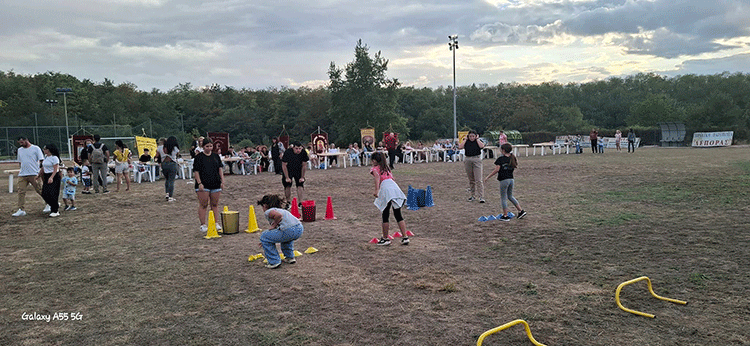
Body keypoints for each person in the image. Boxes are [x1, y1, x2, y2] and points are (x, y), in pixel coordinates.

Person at [370, 152, 410, 246]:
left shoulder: (375, 169)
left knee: (385, 214)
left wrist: (376, 191)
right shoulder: (387, 168)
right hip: (394, 188)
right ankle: (405, 237)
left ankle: (385, 238)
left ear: (375, 161)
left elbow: (377, 179)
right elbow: (393, 178)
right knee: (398, 214)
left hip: (386, 189)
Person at [257, 194, 304, 269]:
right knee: (286, 239)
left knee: (264, 236)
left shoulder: (268, 211)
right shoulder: (282, 210)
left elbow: (278, 216)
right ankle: (290, 257)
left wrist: (273, 225)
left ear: (265, 205)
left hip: (289, 230)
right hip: (299, 228)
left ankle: (274, 261)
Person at [484, 143, 527, 221]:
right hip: (511, 180)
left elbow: (497, 170)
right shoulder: (512, 158)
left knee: (503, 197)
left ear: (503, 150)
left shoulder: (500, 159)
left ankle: (505, 215)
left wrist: (488, 177)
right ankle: (521, 211)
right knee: (510, 196)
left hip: (504, 180)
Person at [193, 138, 224, 233]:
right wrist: (199, 183)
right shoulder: (199, 157)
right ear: (203, 147)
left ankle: (216, 222)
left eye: (211, 146)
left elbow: (220, 169)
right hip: (203, 184)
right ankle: (203, 224)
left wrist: (222, 181)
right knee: (203, 204)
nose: (209, 148)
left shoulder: (216, 156)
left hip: (215, 183)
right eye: (207, 146)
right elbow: (196, 171)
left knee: (215, 204)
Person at [12, 136, 46, 216]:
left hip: (34, 173)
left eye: (22, 142)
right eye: (19, 143)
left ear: (26, 140)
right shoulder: (20, 150)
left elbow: (42, 160)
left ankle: (49, 203)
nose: (21, 144)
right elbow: (20, 162)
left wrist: (40, 172)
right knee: (21, 191)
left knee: (40, 189)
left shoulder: (36, 148)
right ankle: (21, 209)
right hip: (23, 174)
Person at [459, 130, 486, 203]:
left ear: (475, 136)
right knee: (471, 180)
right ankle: (472, 195)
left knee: (478, 180)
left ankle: (481, 196)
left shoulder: (477, 141)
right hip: (468, 159)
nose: (471, 138)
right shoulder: (466, 141)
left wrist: (477, 139)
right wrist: (465, 139)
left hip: (476, 159)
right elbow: (460, 147)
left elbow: (482, 146)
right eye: (470, 136)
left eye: (473, 136)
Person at [281, 141, 309, 206]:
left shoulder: (303, 152)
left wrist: (302, 177)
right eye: (296, 148)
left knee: (300, 185)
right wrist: (287, 177)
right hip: (288, 169)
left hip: (298, 169)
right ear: (293, 148)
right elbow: (284, 165)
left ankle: (300, 202)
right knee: (287, 185)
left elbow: (304, 165)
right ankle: (288, 202)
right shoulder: (288, 152)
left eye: (299, 148)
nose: (298, 150)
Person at [40, 144, 62, 217]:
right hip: (46, 176)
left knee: (53, 193)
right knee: (44, 193)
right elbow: (43, 167)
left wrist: (52, 177)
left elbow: (56, 169)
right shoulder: (46, 158)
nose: (44, 150)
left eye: (45, 149)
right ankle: (54, 204)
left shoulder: (54, 158)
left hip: (54, 176)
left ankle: (55, 210)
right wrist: (39, 175)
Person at [159, 136, 180, 202]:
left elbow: (157, 155)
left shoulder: (161, 148)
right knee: (171, 180)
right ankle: (170, 196)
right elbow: (177, 155)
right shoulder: (175, 148)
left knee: (167, 179)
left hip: (164, 164)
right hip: (172, 164)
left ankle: (167, 193)